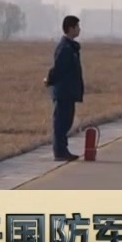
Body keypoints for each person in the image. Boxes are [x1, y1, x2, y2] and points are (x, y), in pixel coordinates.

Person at [45, 15, 84, 160]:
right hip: (63, 92)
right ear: (70, 28)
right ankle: (60, 152)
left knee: (66, 122)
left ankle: (63, 149)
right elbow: (58, 69)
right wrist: (49, 80)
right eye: (77, 27)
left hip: (69, 92)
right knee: (61, 123)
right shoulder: (65, 48)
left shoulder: (71, 48)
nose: (79, 30)